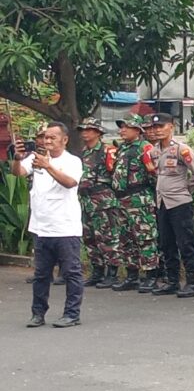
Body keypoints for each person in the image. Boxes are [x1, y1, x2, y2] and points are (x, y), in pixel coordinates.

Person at [13, 122, 84, 327]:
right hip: (41, 227)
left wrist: (48, 166)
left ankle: (72, 314)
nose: (48, 140)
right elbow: (18, 172)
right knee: (41, 275)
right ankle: (38, 314)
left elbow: (70, 183)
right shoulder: (35, 158)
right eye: (46, 137)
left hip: (65, 227)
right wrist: (17, 159)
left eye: (53, 137)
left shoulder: (72, 161)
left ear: (65, 139)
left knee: (71, 273)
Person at [150, 113, 194, 298]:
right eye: (155, 127)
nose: (157, 130)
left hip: (179, 203)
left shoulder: (181, 149)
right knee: (166, 243)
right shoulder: (154, 151)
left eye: (161, 126)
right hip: (162, 202)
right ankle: (172, 281)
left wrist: (185, 189)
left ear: (171, 127)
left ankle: (191, 282)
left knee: (186, 242)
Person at [110, 113, 160, 291]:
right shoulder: (123, 148)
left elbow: (154, 175)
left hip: (139, 199)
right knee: (126, 238)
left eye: (127, 127)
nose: (122, 130)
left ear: (137, 130)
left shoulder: (145, 148)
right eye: (121, 127)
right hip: (121, 199)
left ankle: (151, 275)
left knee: (145, 237)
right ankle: (132, 275)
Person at [75, 118, 120, 288]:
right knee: (89, 237)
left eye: (89, 130)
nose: (85, 133)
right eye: (83, 130)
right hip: (86, 199)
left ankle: (112, 273)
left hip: (102, 200)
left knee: (107, 236)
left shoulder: (107, 151)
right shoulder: (84, 152)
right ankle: (97, 271)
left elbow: (116, 174)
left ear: (98, 132)